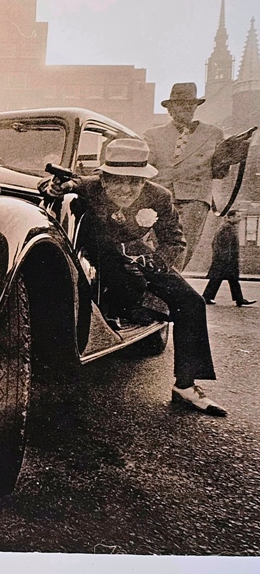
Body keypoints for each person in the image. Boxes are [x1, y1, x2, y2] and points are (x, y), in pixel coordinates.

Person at [40, 137, 227, 417]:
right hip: (102, 256)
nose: (127, 188)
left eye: (135, 181)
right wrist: (54, 187)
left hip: (143, 256)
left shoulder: (160, 196)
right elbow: (54, 186)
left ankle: (186, 386)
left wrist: (157, 267)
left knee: (192, 302)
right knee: (130, 288)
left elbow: (175, 240)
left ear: (145, 180)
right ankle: (124, 313)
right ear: (103, 178)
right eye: (118, 180)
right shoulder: (88, 186)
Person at [143, 82, 250, 269]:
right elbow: (145, 163)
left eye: (191, 103)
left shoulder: (213, 134)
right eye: (181, 103)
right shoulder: (153, 134)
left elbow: (219, 172)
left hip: (195, 199)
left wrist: (232, 154)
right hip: (160, 197)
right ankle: (164, 289)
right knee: (160, 246)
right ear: (170, 108)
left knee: (183, 247)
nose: (187, 107)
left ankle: (169, 289)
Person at [202, 211, 256, 307]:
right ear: (230, 217)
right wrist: (226, 260)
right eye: (238, 216)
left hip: (225, 260)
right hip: (225, 261)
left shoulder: (228, 227)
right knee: (220, 279)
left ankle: (238, 299)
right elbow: (224, 246)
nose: (240, 218)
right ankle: (207, 297)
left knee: (228, 280)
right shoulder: (227, 229)